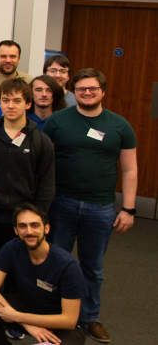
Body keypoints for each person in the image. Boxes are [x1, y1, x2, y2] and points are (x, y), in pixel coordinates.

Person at [43, 68, 137, 343]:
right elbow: (42, 163)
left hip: (101, 208)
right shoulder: (58, 120)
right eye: (81, 89)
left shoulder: (120, 125)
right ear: (74, 92)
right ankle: (52, 315)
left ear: (102, 91)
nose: (86, 93)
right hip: (60, 203)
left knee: (92, 268)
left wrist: (129, 208)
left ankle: (89, 318)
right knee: (55, 262)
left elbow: (130, 169)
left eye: (92, 88)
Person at [0, 78, 55, 334]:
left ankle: (16, 319)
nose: (11, 105)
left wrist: (37, 221)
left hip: (23, 220)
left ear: (28, 103)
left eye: (17, 100)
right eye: (5, 100)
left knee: (20, 269)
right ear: (0, 102)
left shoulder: (40, 140)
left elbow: (47, 184)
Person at [0, 203, 88, 345]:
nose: (29, 231)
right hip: (31, 309)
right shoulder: (11, 248)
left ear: (46, 228)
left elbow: (69, 320)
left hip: (65, 327)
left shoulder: (67, 265)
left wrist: (18, 317)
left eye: (35, 225)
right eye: (22, 226)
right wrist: (27, 323)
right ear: (16, 230)